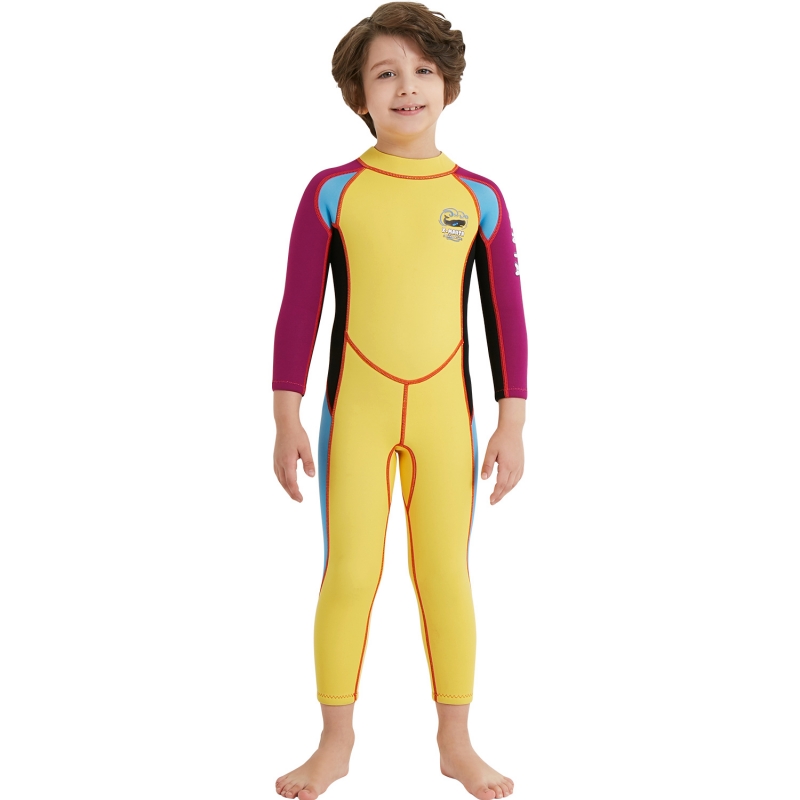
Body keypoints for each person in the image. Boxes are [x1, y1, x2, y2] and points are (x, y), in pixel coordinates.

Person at [272, 3, 527, 798]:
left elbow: (507, 317)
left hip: (450, 418)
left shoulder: (478, 198)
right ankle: (335, 741)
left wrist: (512, 424)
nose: (406, 87)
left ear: (448, 84)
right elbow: (298, 310)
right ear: (360, 95)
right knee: (350, 573)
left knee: (446, 575)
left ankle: (456, 741)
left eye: (422, 70)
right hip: (356, 413)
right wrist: (285, 417)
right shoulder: (333, 192)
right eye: (385, 73)